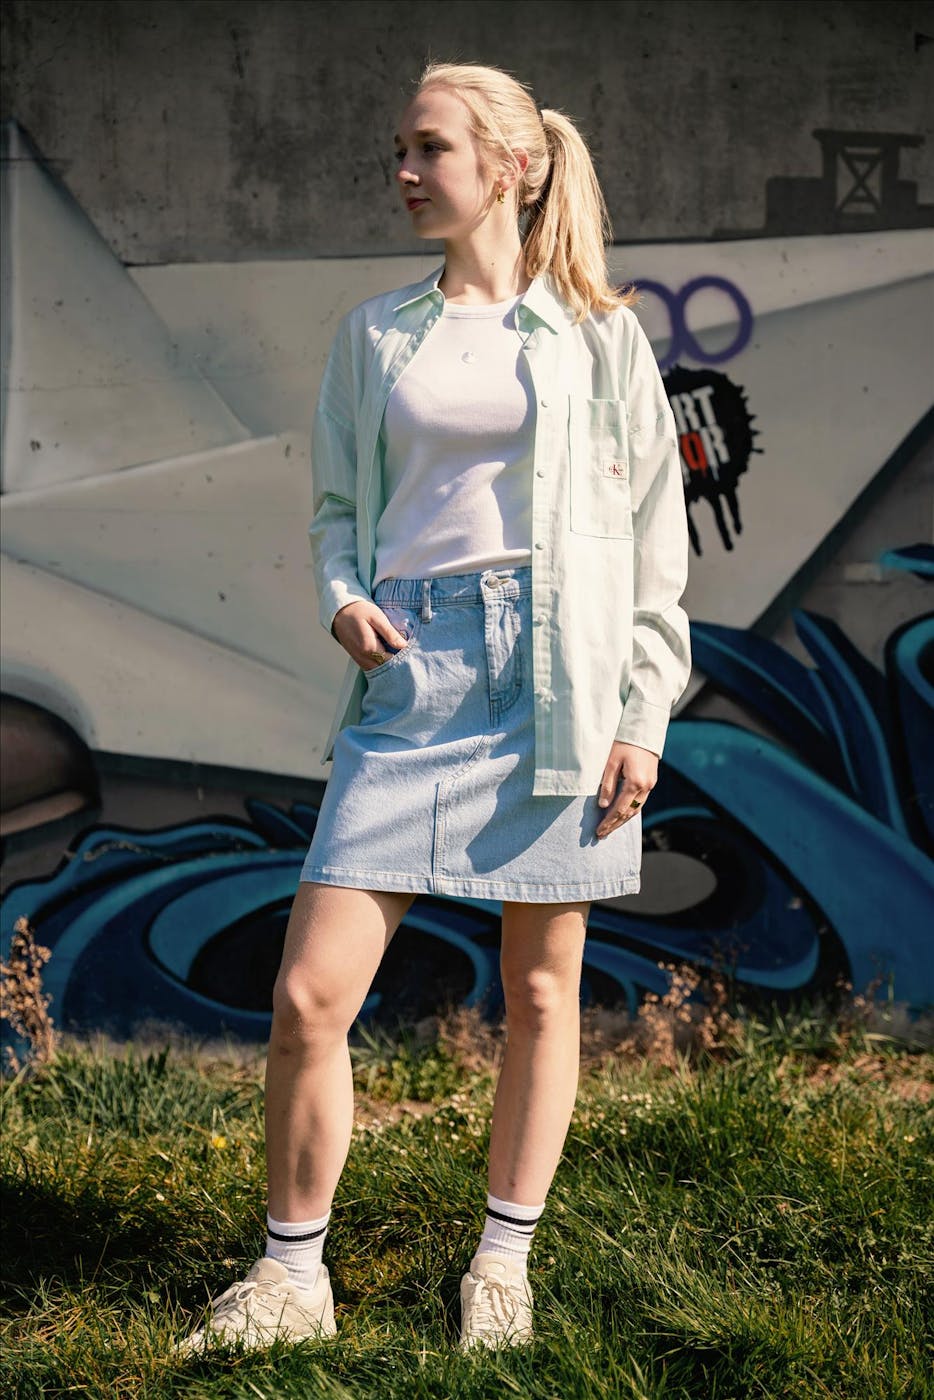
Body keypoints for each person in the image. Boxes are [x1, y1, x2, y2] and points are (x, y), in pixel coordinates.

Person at [179, 59, 691, 1355]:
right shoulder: (376, 335)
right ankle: (291, 1279)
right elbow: (336, 512)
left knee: (541, 989)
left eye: (429, 149)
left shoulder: (600, 335)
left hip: (559, 679)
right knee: (310, 994)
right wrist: (342, 596)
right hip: (413, 677)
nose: (404, 173)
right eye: (399, 152)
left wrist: (642, 716)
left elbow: (655, 543)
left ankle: (501, 1268)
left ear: (509, 167)